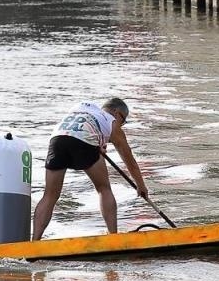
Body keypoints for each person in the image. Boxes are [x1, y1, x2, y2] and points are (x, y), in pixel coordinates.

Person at [32, 97, 148, 240]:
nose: (121, 125)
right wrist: (140, 185)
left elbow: (79, 129)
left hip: (57, 140)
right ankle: (113, 238)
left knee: (49, 195)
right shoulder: (112, 122)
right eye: (123, 122)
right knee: (103, 189)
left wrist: (99, 142)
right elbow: (129, 159)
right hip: (84, 142)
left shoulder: (82, 107)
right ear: (117, 114)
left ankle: (34, 242)